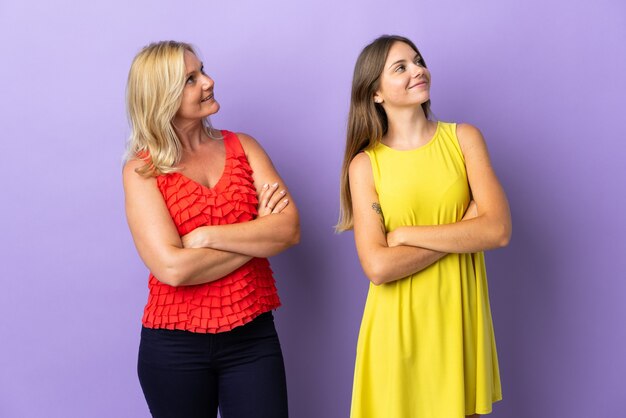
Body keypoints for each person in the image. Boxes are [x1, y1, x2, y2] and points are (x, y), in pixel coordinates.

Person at [336, 35, 512, 418]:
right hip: (395, 332)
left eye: (417, 61)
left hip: (457, 324)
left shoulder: (464, 138)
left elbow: (497, 229)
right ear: (376, 93)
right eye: (400, 68)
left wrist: (405, 236)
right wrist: (463, 229)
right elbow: (379, 267)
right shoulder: (365, 166)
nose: (418, 70)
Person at [123, 41, 299, 418]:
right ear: (162, 96)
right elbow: (173, 269)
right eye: (191, 79)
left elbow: (288, 231)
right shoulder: (142, 171)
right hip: (174, 348)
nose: (208, 81)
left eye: (202, 70)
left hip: (252, 337)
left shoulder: (244, 147)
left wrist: (207, 237)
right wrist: (257, 232)